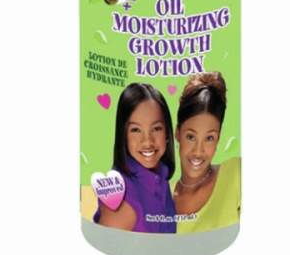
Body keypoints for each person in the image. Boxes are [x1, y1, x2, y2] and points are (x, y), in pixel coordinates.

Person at [93, 83, 177, 233]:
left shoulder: (161, 176)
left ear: (167, 133)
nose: (147, 141)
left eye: (156, 128)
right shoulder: (122, 201)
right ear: (123, 135)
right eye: (136, 130)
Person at [172, 72, 240, 233]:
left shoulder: (236, 174)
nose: (198, 151)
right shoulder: (161, 195)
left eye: (209, 138)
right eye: (191, 137)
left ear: (218, 139)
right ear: (177, 133)